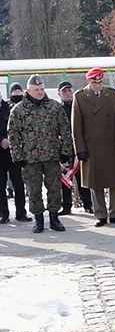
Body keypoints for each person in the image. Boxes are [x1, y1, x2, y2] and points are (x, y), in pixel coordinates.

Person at [7, 75, 73, 233]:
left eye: (42, 89)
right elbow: (13, 134)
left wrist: (65, 151)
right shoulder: (19, 110)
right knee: (34, 190)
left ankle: (54, 218)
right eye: (36, 90)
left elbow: (65, 130)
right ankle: (38, 220)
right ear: (28, 91)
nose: (40, 92)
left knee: (54, 188)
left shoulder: (54, 107)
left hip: (52, 156)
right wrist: (17, 156)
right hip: (30, 158)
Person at [71, 68, 115, 227]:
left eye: (99, 82)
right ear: (88, 82)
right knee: (95, 183)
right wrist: (80, 148)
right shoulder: (80, 96)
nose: (97, 85)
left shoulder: (113, 94)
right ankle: (101, 214)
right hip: (92, 146)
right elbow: (76, 127)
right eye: (94, 82)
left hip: (112, 143)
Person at [57, 81, 93, 216]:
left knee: (83, 177)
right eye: (64, 91)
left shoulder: (80, 107)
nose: (67, 94)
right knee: (65, 178)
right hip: (64, 149)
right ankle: (66, 205)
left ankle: (88, 204)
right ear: (59, 94)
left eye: (69, 91)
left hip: (80, 147)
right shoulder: (56, 109)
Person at [0, 89, 29, 224]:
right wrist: (1, 140)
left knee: (18, 183)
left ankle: (21, 213)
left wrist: (8, 140)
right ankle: (3, 213)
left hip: (13, 152)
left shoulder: (11, 108)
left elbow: (17, 127)